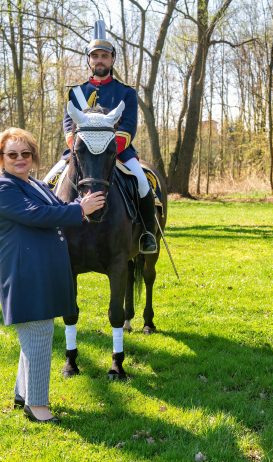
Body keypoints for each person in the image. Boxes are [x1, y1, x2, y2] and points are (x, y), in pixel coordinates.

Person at [0, 128, 105, 423]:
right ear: (2, 158)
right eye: (12, 154)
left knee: (34, 332)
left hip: (39, 271)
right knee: (38, 333)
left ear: (33, 155)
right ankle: (37, 406)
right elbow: (36, 215)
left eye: (26, 153)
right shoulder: (4, 188)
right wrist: (80, 210)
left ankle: (23, 394)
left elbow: (57, 207)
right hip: (24, 273)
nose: (20, 159)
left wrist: (80, 206)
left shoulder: (34, 183)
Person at [62, 20, 157, 254]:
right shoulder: (75, 92)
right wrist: (76, 146)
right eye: (95, 56)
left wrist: (109, 148)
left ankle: (147, 233)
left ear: (112, 59)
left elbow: (128, 126)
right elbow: (68, 125)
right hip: (81, 153)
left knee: (142, 182)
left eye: (104, 56)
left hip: (117, 152)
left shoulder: (126, 92)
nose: (100, 60)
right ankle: (50, 232)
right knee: (49, 180)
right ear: (89, 60)